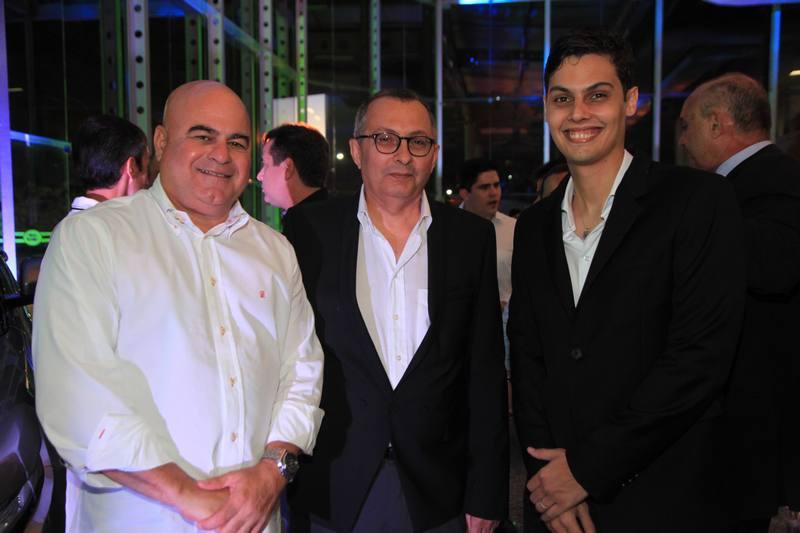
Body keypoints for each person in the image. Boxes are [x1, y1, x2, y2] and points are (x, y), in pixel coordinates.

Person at [33, 80, 325, 533]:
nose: (221, 155)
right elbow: (76, 393)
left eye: (237, 142)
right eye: (203, 136)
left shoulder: (274, 251)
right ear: (161, 141)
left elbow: (302, 370)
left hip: (256, 519)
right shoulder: (93, 238)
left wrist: (272, 472)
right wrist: (190, 497)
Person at [508, 29, 745, 533]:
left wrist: (585, 470)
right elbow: (528, 362)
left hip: (663, 494)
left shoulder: (696, 202)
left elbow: (698, 361)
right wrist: (548, 481)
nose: (578, 114)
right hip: (557, 505)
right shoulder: (533, 227)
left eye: (597, 95)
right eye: (562, 99)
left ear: (631, 101)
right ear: (546, 109)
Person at [284, 88, 508, 533]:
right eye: (385, 138)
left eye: (417, 141)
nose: (403, 155)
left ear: (434, 154)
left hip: (438, 488)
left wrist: (487, 490)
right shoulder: (309, 230)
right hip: (333, 482)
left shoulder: (470, 239)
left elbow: (484, 371)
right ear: (357, 150)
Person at [680, 72, 800, 531]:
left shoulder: (775, 180)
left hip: (756, 424)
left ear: (717, 124)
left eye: (687, 125)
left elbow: (776, 268)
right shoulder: (744, 183)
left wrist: (690, 216)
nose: (683, 140)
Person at [458, 158, 515, 310]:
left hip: (506, 321)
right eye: (484, 187)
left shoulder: (514, 229)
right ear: (465, 193)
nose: (493, 193)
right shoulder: (446, 230)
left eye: (496, 185)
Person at [69, 114, 151, 215]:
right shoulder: (107, 223)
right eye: (146, 169)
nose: (147, 182)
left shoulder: (75, 221)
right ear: (132, 167)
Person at [257, 123, 330, 213]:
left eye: (266, 164)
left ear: (288, 168)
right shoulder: (329, 212)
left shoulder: (302, 219)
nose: (259, 176)